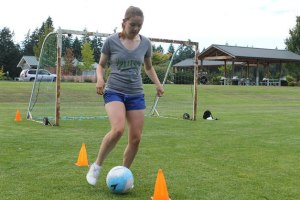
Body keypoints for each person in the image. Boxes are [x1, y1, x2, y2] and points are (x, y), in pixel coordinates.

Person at [86, 6, 164, 186]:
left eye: (139, 25)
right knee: (118, 129)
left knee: (136, 138)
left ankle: (124, 173)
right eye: (132, 25)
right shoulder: (111, 41)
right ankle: (96, 166)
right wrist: (99, 79)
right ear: (123, 23)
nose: (136, 28)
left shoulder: (146, 44)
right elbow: (101, 65)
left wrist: (158, 84)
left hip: (136, 93)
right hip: (114, 90)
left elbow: (149, 67)